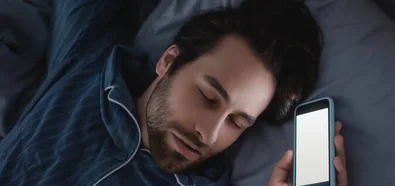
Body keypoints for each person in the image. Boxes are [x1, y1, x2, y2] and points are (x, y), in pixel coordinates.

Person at [0, 0, 348, 186]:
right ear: (169, 60)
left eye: (237, 122)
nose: (209, 134)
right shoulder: (88, 61)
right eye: (209, 98)